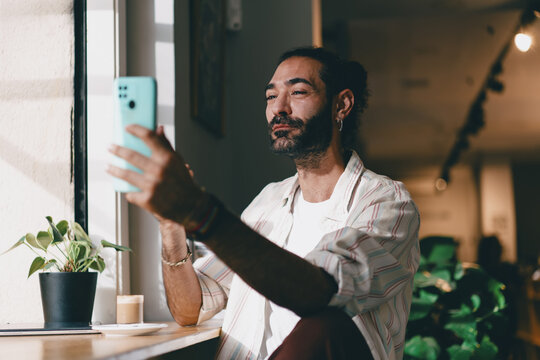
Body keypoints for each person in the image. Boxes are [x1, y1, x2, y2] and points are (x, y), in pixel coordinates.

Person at [108, 47, 420, 360]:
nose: (279, 108)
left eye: (298, 91)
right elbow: (193, 307)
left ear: (342, 104)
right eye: (271, 97)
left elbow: (320, 292)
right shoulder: (267, 202)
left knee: (326, 323)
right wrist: (171, 223)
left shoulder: (387, 203)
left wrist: (200, 212)